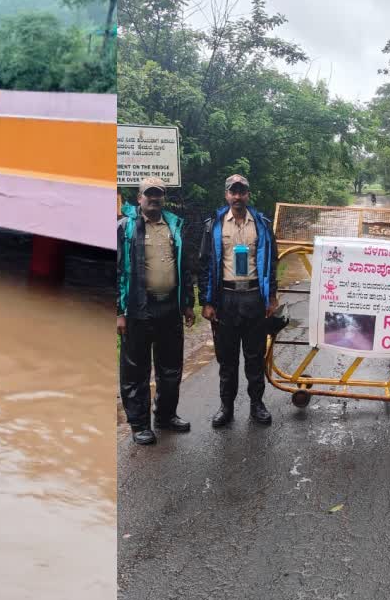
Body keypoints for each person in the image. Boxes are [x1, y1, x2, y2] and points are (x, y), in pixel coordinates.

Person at [117, 177, 195, 445]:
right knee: (136, 370)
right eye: (148, 194)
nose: (153, 199)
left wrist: (187, 303)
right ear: (139, 198)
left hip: (169, 307)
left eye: (158, 194)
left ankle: (165, 416)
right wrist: (119, 311)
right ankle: (139, 424)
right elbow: (115, 271)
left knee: (171, 367)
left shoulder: (174, 226)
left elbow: (185, 268)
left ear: (163, 198)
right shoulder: (125, 228)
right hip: (139, 309)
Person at [197, 174, 279, 427]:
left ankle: (257, 405)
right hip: (226, 299)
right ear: (226, 195)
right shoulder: (214, 225)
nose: (237, 196)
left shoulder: (262, 224)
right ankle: (226, 407)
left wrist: (272, 297)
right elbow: (204, 264)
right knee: (227, 359)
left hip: (254, 297)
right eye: (233, 192)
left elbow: (272, 263)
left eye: (242, 191)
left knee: (255, 356)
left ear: (248, 194)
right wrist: (206, 301)